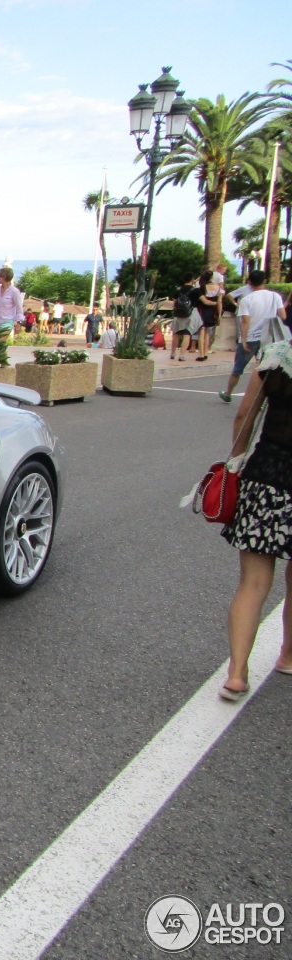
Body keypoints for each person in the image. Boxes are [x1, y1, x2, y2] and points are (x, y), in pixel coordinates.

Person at [218, 336, 292, 700]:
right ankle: (288, 656)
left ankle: (236, 672)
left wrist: (236, 462)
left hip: (266, 476)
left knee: (253, 583)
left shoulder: (277, 354)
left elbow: (244, 415)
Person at [220, 270, 287, 402]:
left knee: (238, 368)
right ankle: (262, 398)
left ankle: (228, 393)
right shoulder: (275, 296)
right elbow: (283, 316)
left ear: (249, 282)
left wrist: (243, 340)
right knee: (265, 369)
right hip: (269, 338)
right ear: (265, 281)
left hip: (251, 337)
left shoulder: (247, 299)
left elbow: (245, 322)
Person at [0, 266, 24, 333]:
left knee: (0, 341)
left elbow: (19, 308)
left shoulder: (14, 291)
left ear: (4, 277)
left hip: (7, 321)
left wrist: (18, 324)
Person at [170, 272, 197, 361]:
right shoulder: (195, 291)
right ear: (192, 279)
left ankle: (172, 353)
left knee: (176, 334)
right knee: (187, 334)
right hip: (189, 314)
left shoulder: (178, 290)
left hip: (178, 314)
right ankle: (181, 355)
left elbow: (174, 302)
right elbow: (202, 301)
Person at [194, 268, 219, 361]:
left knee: (201, 333)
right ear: (212, 277)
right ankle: (205, 352)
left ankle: (201, 354)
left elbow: (204, 301)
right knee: (207, 333)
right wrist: (218, 312)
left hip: (202, 311)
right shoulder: (218, 288)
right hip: (211, 312)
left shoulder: (201, 288)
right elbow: (219, 302)